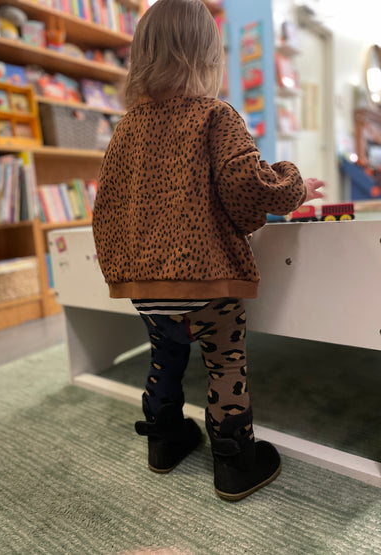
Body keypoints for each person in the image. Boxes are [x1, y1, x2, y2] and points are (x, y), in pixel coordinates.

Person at [92, 0, 324, 502]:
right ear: (209, 57)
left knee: (165, 357)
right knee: (226, 365)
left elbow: (107, 206)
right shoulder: (215, 116)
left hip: (145, 286)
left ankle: (164, 440)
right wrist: (296, 185)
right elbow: (249, 189)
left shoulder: (126, 128)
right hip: (206, 279)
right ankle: (235, 461)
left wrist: (124, 271)